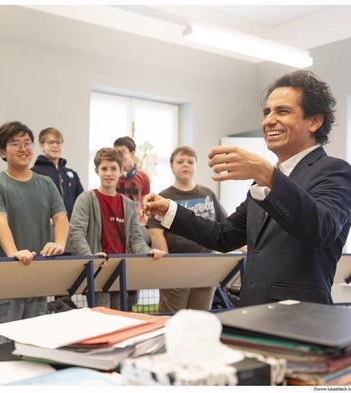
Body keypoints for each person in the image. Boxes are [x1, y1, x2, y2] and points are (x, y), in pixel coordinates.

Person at [143, 70, 351, 307]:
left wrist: (266, 174)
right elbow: (223, 236)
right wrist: (170, 210)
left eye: (282, 111)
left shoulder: (335, 171)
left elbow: (321, 229)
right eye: (266, 112)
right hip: (252, 312)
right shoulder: (264, 181)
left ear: (315, 121)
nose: (269, 120)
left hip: (300, 321)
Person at [0, 121, 69, 328]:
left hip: (35, 279)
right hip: (3, 280)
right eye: (15, 144)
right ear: (2, 152)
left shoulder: (46, 183)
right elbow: (0, 223)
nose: (23, 149)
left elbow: (61, 217)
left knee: (33, 341)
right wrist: (14, 253)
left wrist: (60, 243)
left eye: (27, 143)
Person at [69, 147, 165, 310]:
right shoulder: (86, 199)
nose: (108, 173)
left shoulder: (128, 204)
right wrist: (90, 257)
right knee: (102, 322)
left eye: (113, 168)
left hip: (123, 273)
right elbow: (76, 233)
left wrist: (146, 251)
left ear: (121, 171)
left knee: (123, 321)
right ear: (96, 171)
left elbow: (135, 238)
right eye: (104, 168)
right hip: (99, 272)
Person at [146, 146, 228, 313]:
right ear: (171, 166)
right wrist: (169, 264)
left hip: (206, 267)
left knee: (201, 316)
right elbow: (155, 231)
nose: (186, 165)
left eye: (191, 162)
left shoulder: (208, 194)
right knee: (172, 316)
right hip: (176, 267)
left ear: (196, 166)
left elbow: (226, 226)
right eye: (180, 161)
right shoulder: (164, 196)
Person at [31, 127, 84, 219]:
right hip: (46, 224)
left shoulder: (71, 174)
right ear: (41, 145)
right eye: (50, 142)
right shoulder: (35, 172)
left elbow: (81, 201)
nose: (55, 145)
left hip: (71, 225)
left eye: (58, 142)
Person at [114, 136, 151, 225]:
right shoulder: (113, 176)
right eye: (116, 152)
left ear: (132, 153)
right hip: (116, 222)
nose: (119, 156)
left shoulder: (143, 177)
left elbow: (147, 204)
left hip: (137, 223)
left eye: (122, 152)